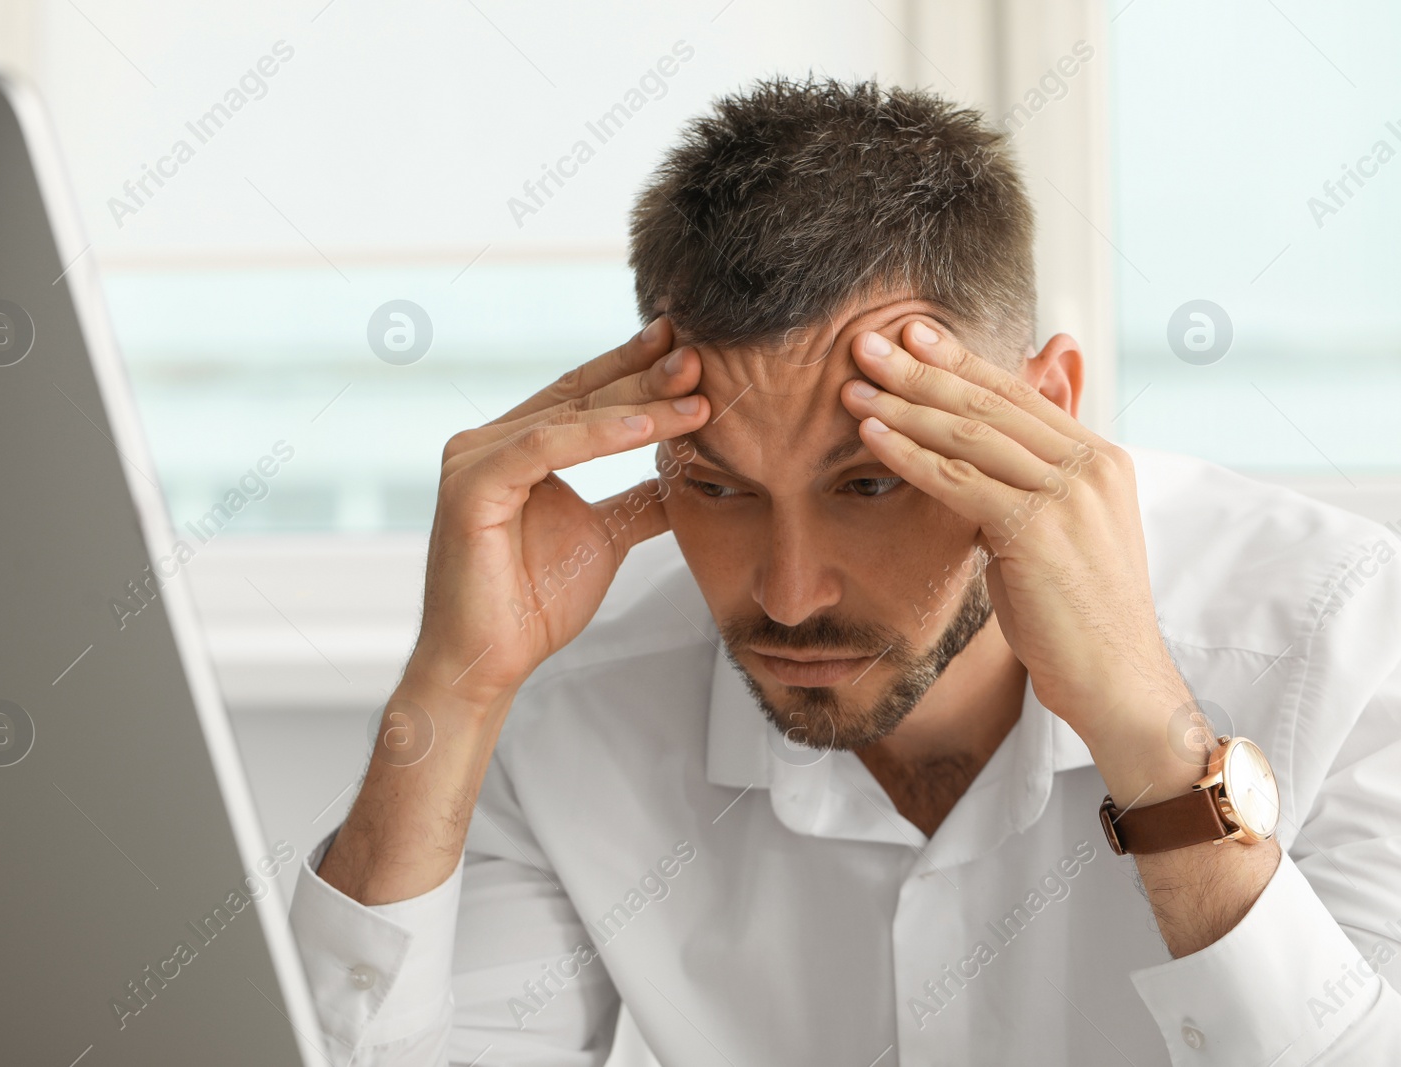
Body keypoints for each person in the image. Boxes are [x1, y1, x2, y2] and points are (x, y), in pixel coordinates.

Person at [289, 78, 1401, 1065]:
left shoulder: (1345, 634)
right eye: (717, 487)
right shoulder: (580, 699)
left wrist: (1152, 736)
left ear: (1044, 409)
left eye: (867, 485)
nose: (785, 593)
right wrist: (452, 682)